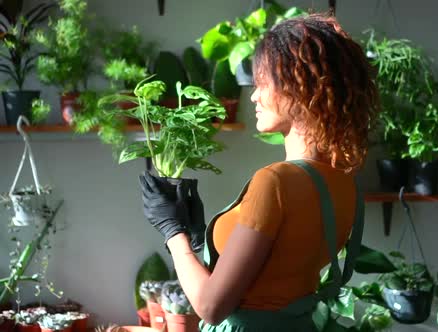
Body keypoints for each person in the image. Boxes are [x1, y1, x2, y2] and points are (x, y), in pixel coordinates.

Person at [139, 13, 379, 331]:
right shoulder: (343, 183)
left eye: (262, 83)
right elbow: (274, 274)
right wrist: (200, 240)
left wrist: (173, 234)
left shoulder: (276, 182)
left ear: (299, 86)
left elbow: (211, 307)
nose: (253, 95)